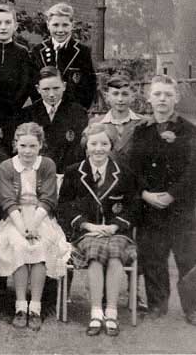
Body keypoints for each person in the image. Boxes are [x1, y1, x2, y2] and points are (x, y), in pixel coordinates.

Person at [58, 124, 139, 337]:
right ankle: (96, 312)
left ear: (111, 146)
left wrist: (114, 226)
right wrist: (87, 225)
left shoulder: (124, 173)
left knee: (114, 256)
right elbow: (65, 205)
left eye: (104, 143)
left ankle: (111, 312)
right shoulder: (74, 171)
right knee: (94, 255)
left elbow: (133, 206)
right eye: (94, 144)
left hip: (116, 232)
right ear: (86, 146)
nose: (99, 149)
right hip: (87, 233)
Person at [126, 75, 196, 323]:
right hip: (150, 207)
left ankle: (192, 308)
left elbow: (193, 169)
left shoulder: (188, 130)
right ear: (149, 98)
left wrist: (173, 194)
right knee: (153, 257)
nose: (162, 99)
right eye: (157, 94)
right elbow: (132, 168)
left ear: (176, 98)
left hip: (182, 207)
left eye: (168, 94)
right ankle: (157, 305)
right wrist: (145, 194)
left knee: (187, 258)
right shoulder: (141, 131)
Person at [0, 122, 71, 331]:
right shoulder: (7, 166)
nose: (27, 151)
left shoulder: (47, 165)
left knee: (40, 246)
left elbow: (49, 198)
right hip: (14, 218)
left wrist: (34, 224)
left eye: (32, 146)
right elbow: (8, 201)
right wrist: (23, 227)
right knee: (19, 245)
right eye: (23, 145)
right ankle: (20, 307)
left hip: (41, 217)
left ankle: (35, 307)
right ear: (16, 144)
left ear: (40, 145)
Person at [30, 3, 97, 110]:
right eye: (55, 25)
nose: (60, 30)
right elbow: (33, 84)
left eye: (65, 25)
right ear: (48, 25)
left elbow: (89, 86)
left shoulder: (82, 51)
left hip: (73, 113)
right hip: (44, 112)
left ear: (72, 25)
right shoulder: (37, 51)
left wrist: (79, 111)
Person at [21, 66, 88, 171]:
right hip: (37, 171)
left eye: (56, 88)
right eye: (46, 89)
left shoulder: (78, 112)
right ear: (38, 89)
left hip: (68, 172)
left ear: (64, 86)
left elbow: (78, 149)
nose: (51, 94)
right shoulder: (27, 114)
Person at [93, 73, 142, 168]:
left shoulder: (143, 123)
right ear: (107, 96)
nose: (120, 99)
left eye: (125, 94)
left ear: (132, 96)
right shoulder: (96, 123)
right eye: (115, 94)